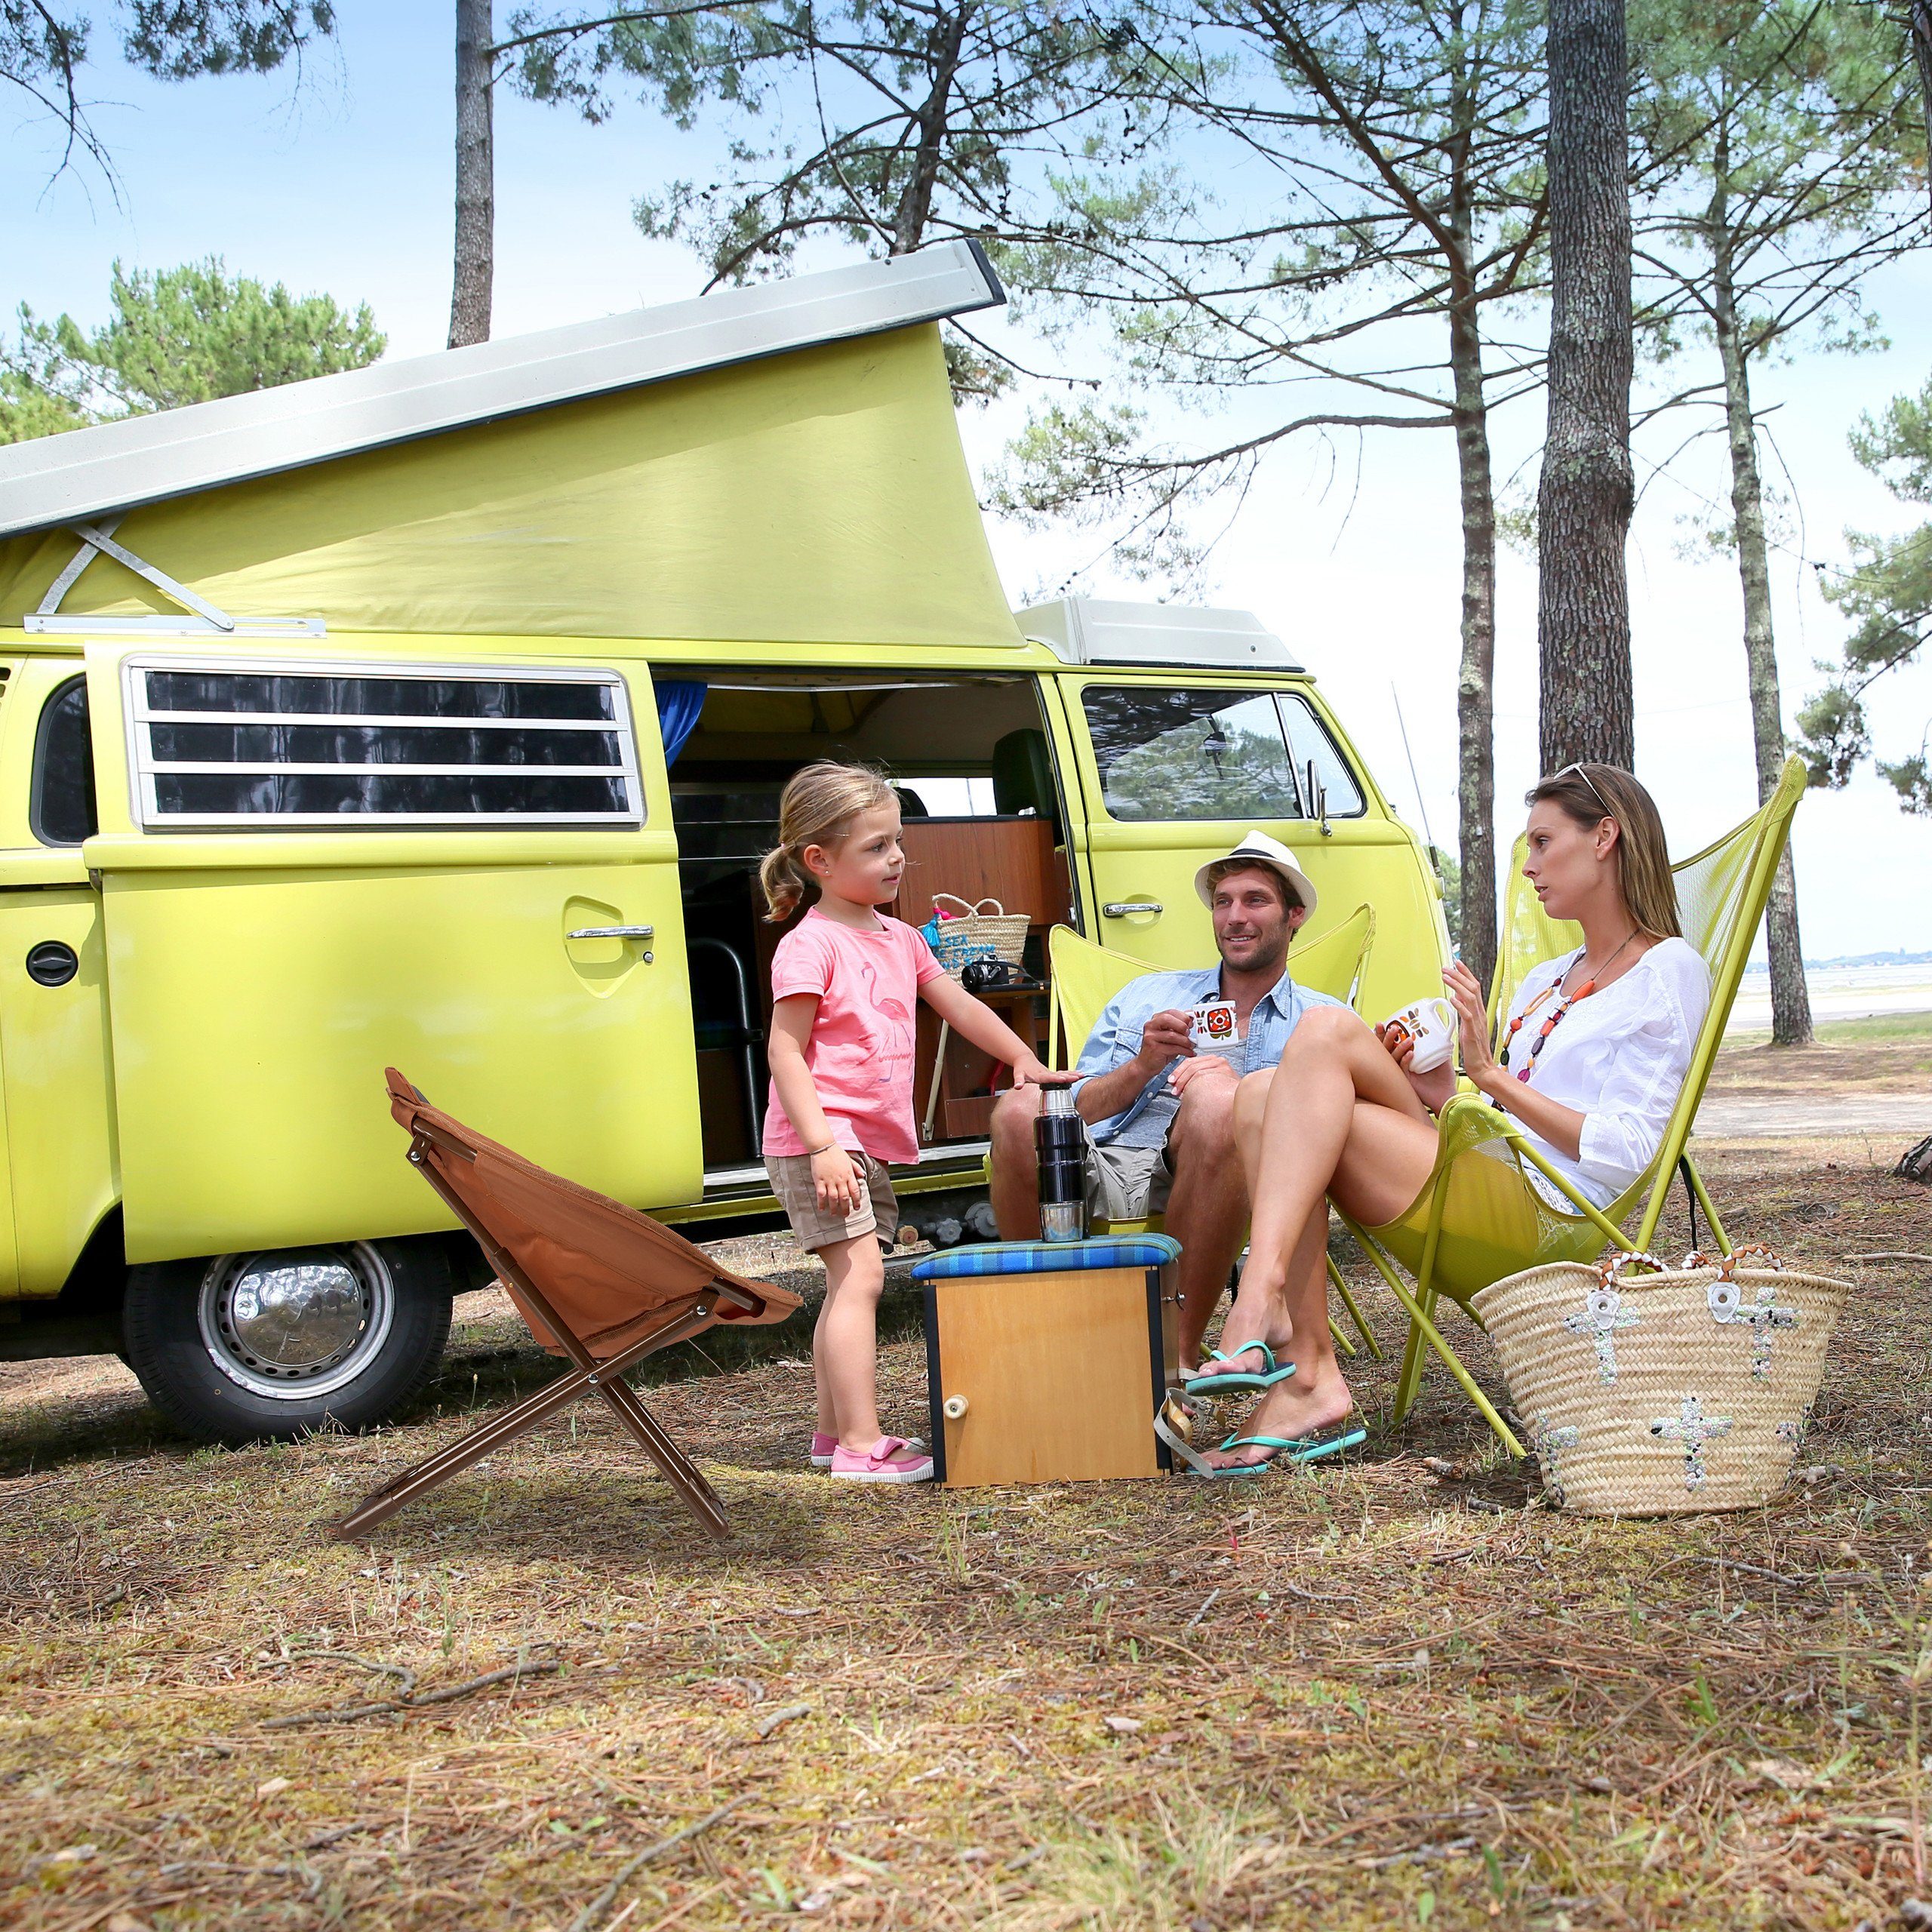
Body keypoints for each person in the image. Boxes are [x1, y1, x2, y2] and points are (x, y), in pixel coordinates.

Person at [1187, 763, 1712, 1473]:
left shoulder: (1667, 969)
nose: (1528, 867)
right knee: (1266, 1089)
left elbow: (1623, 1151)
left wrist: (1488, 1074)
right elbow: (1496, 1115)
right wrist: (1440, 1086)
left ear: (1605, 838)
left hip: (1545, 1212)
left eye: (1542, 842)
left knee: (1313, 1039)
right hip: (1484, 1173)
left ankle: (1264, 1308)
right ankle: (1303, 1365)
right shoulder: (1545, 981)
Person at [761, 761, 1068, 1484]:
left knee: (849, 1282)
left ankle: (832, 1434)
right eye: (876, 846)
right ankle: (863, 1446)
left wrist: (1024, 1058)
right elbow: (784, 1049)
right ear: (820, 862)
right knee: (862, 1277)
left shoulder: (901, 938)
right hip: (825, 1142)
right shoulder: (810, 944)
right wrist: (824, 1146)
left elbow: (959, 1007)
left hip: (859, 1143)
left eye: (897, 841)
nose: (896, 856)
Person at [989, 830, 1343, 1374]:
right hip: (1101, 1164)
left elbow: (1336, 1126)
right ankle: (1035, 1334)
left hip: (1226, 1177)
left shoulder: (1321, 1023)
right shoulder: (1147, 996)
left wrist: (1246, 1089)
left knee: (1218, 1100)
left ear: (1294, 916)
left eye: (1255, 900)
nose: (1234, 917)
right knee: (1018, 1110)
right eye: (1223, 902)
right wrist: (1143, 1065)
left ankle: (1171, 1358)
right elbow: (1076, 1108)